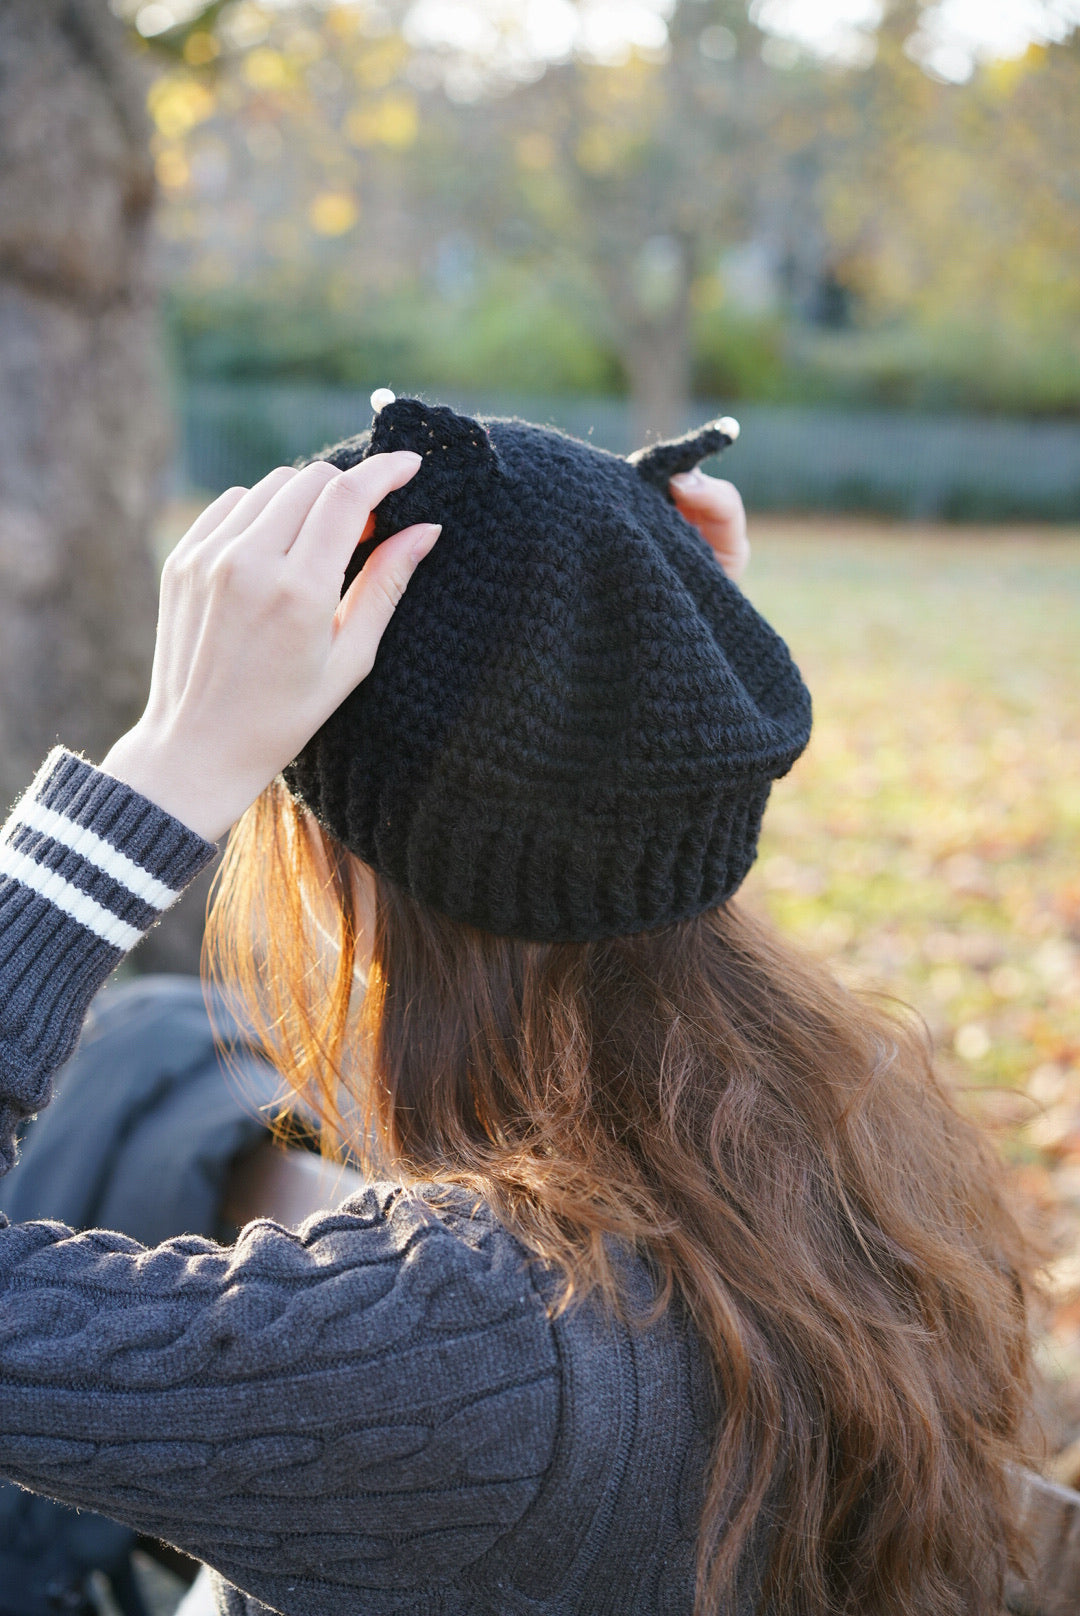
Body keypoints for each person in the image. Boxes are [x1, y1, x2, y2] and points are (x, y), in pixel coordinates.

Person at [0, 398, 1037, 1616]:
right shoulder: (851, 1148)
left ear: (346, 872)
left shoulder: (467, 1349)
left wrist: (165, 767)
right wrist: (626, 648)